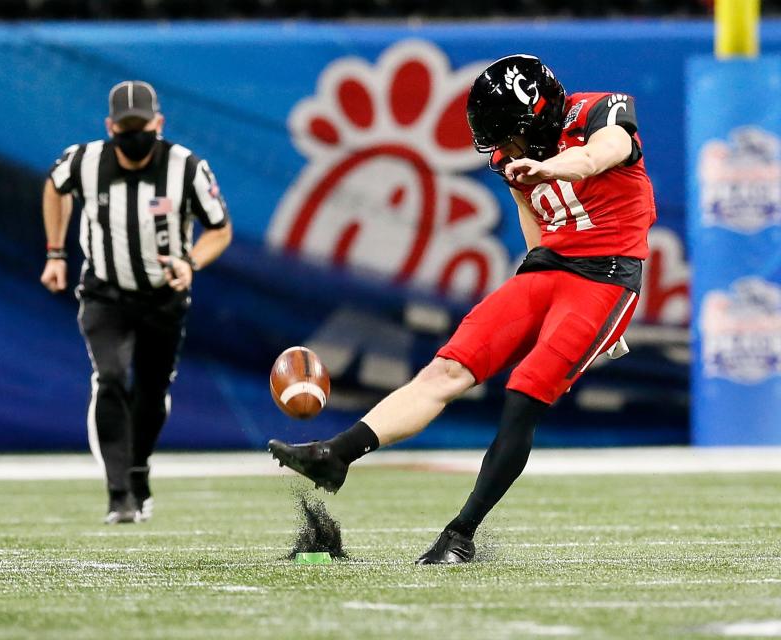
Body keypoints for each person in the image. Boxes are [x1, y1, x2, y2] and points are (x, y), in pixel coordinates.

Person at [269, 54, 655, 563]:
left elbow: (598, 156)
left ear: (537, 116)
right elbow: (532, 213)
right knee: (447, 369)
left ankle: (461, 533)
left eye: (507, 133)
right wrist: (532, 278)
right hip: (548, 270)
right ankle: (335, 455)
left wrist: (550, 165)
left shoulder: (600, 113)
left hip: (605, 277)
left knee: (525, 391)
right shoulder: (511, 160)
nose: (501, 147)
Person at [41, 81, 232, 524]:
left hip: (163, 296)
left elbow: (219, 228)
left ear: (158, 123)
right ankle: (118, 492)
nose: (133, 135)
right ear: (110, 127)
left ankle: (137, 467)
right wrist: (55, 252)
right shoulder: (85, 161)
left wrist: (190, 263)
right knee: (109, 378)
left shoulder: (186, 167)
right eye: (124, 127)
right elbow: (54, 186)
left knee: (151, 391)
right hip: (105, 292)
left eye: (140, 126)